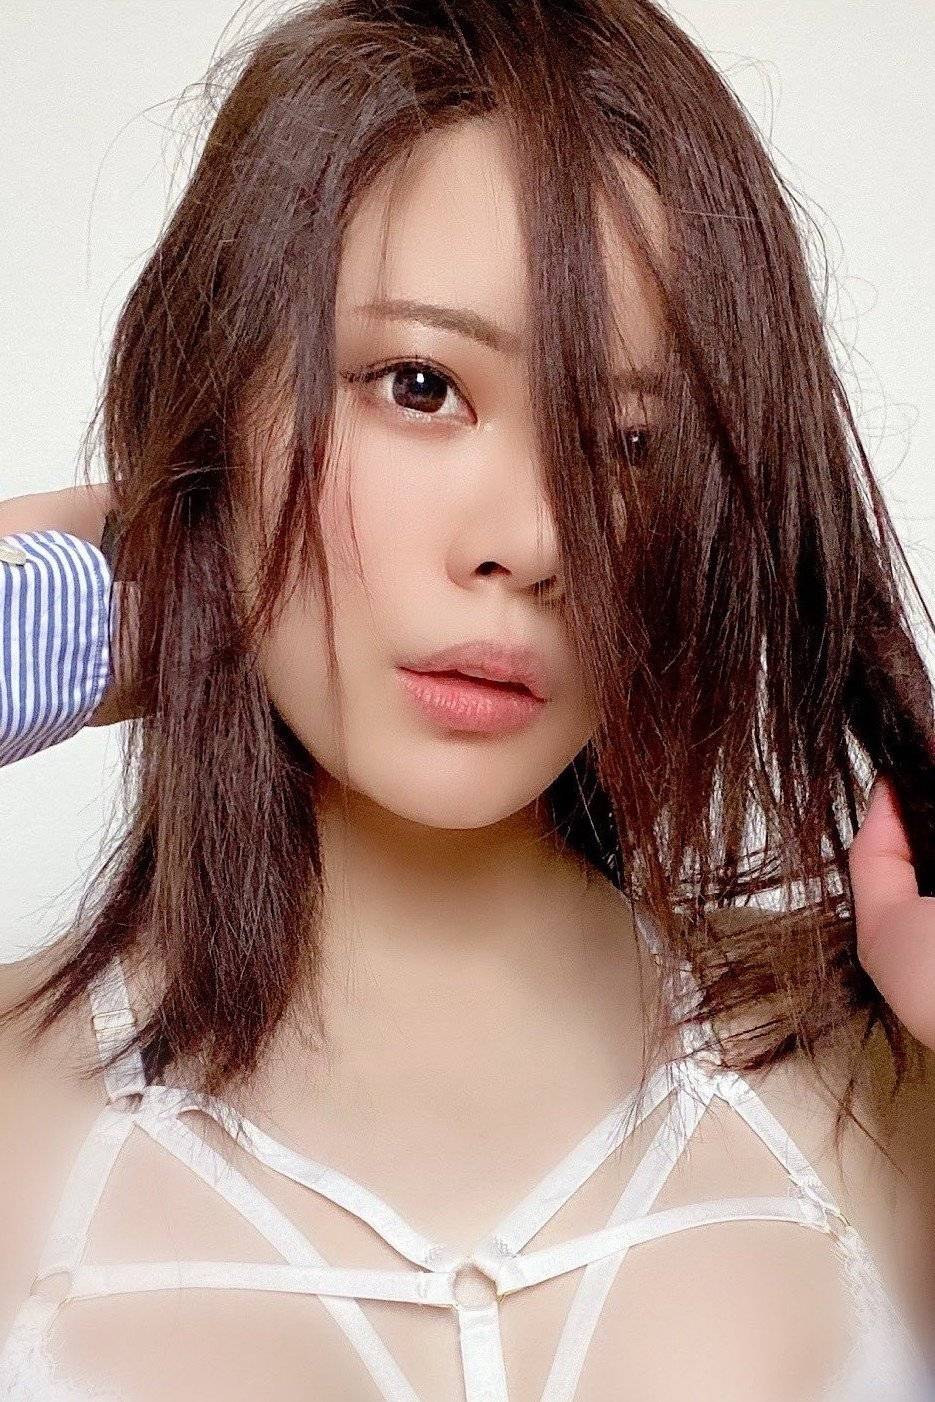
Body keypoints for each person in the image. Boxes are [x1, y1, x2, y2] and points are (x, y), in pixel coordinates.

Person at [1, 1, 934, 1398]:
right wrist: (74, 616)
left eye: (631, 444)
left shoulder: (888, 1081)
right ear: (211, 413)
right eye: (421, 386)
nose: (533, 540)